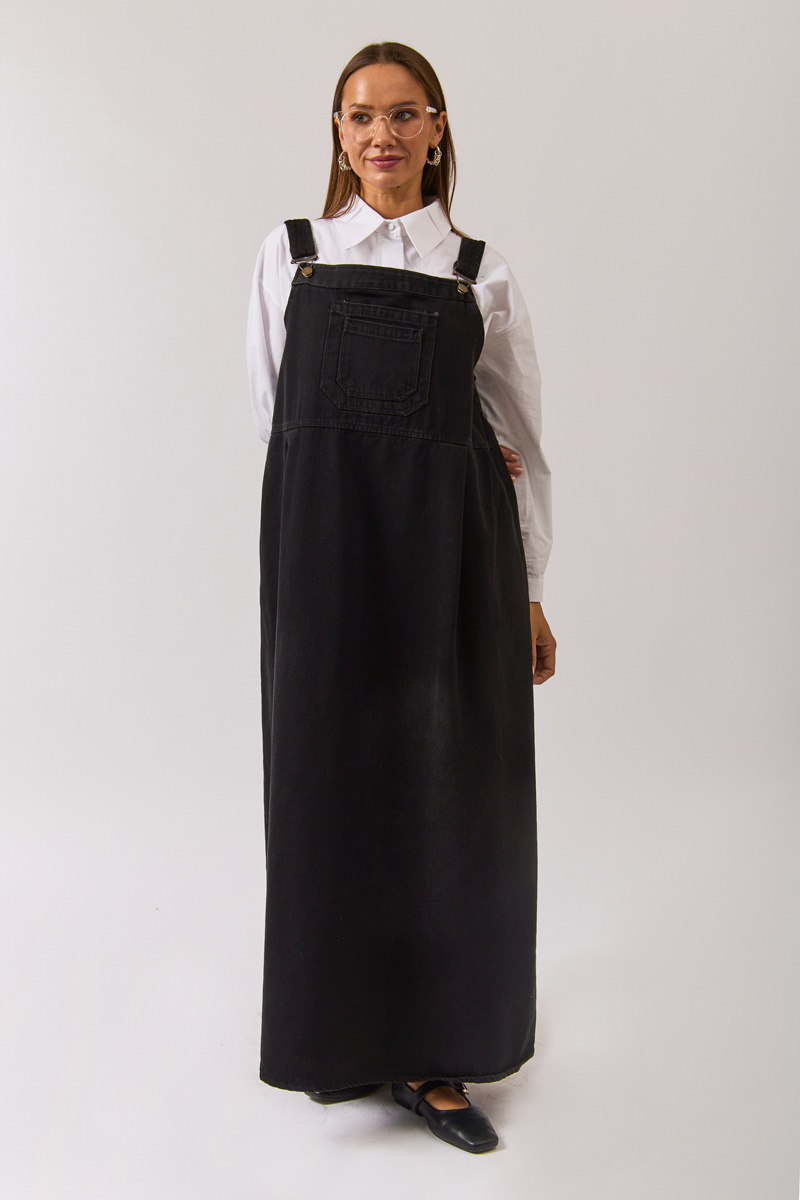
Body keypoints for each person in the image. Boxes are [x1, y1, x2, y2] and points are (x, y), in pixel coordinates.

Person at [245, 41, 556, 1155]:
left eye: (403, 114)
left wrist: (529, 588)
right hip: (327, 551)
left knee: (446, 789)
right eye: (360, 115)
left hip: (453, 557)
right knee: (326, 784)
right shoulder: (291, 257)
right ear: (338, 133)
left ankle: (433, 1054)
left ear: (437, 128)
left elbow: (519, 437)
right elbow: (279, 419)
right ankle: (339, 1037)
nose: (381, 134)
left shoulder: (478, 270)